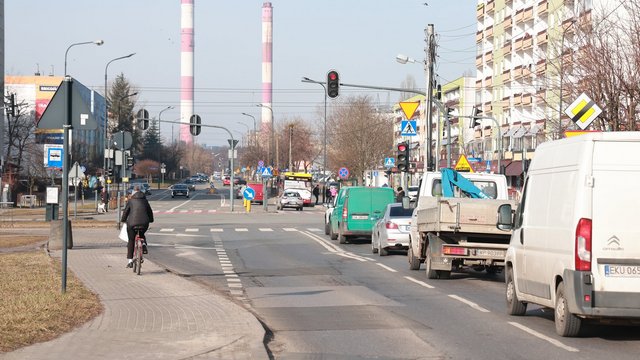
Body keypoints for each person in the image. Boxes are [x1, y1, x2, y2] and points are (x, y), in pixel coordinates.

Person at [120, 185, 154, 268]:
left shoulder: (131, 201)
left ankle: (130, 261)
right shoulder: (145, 201)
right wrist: (151, 220)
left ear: (133, 193)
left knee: (131, 240)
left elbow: (126, 212)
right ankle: (143, 244)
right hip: (144, 223)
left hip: (132, 223)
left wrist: (123, 220)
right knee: (142, 234)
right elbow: (150, 212)